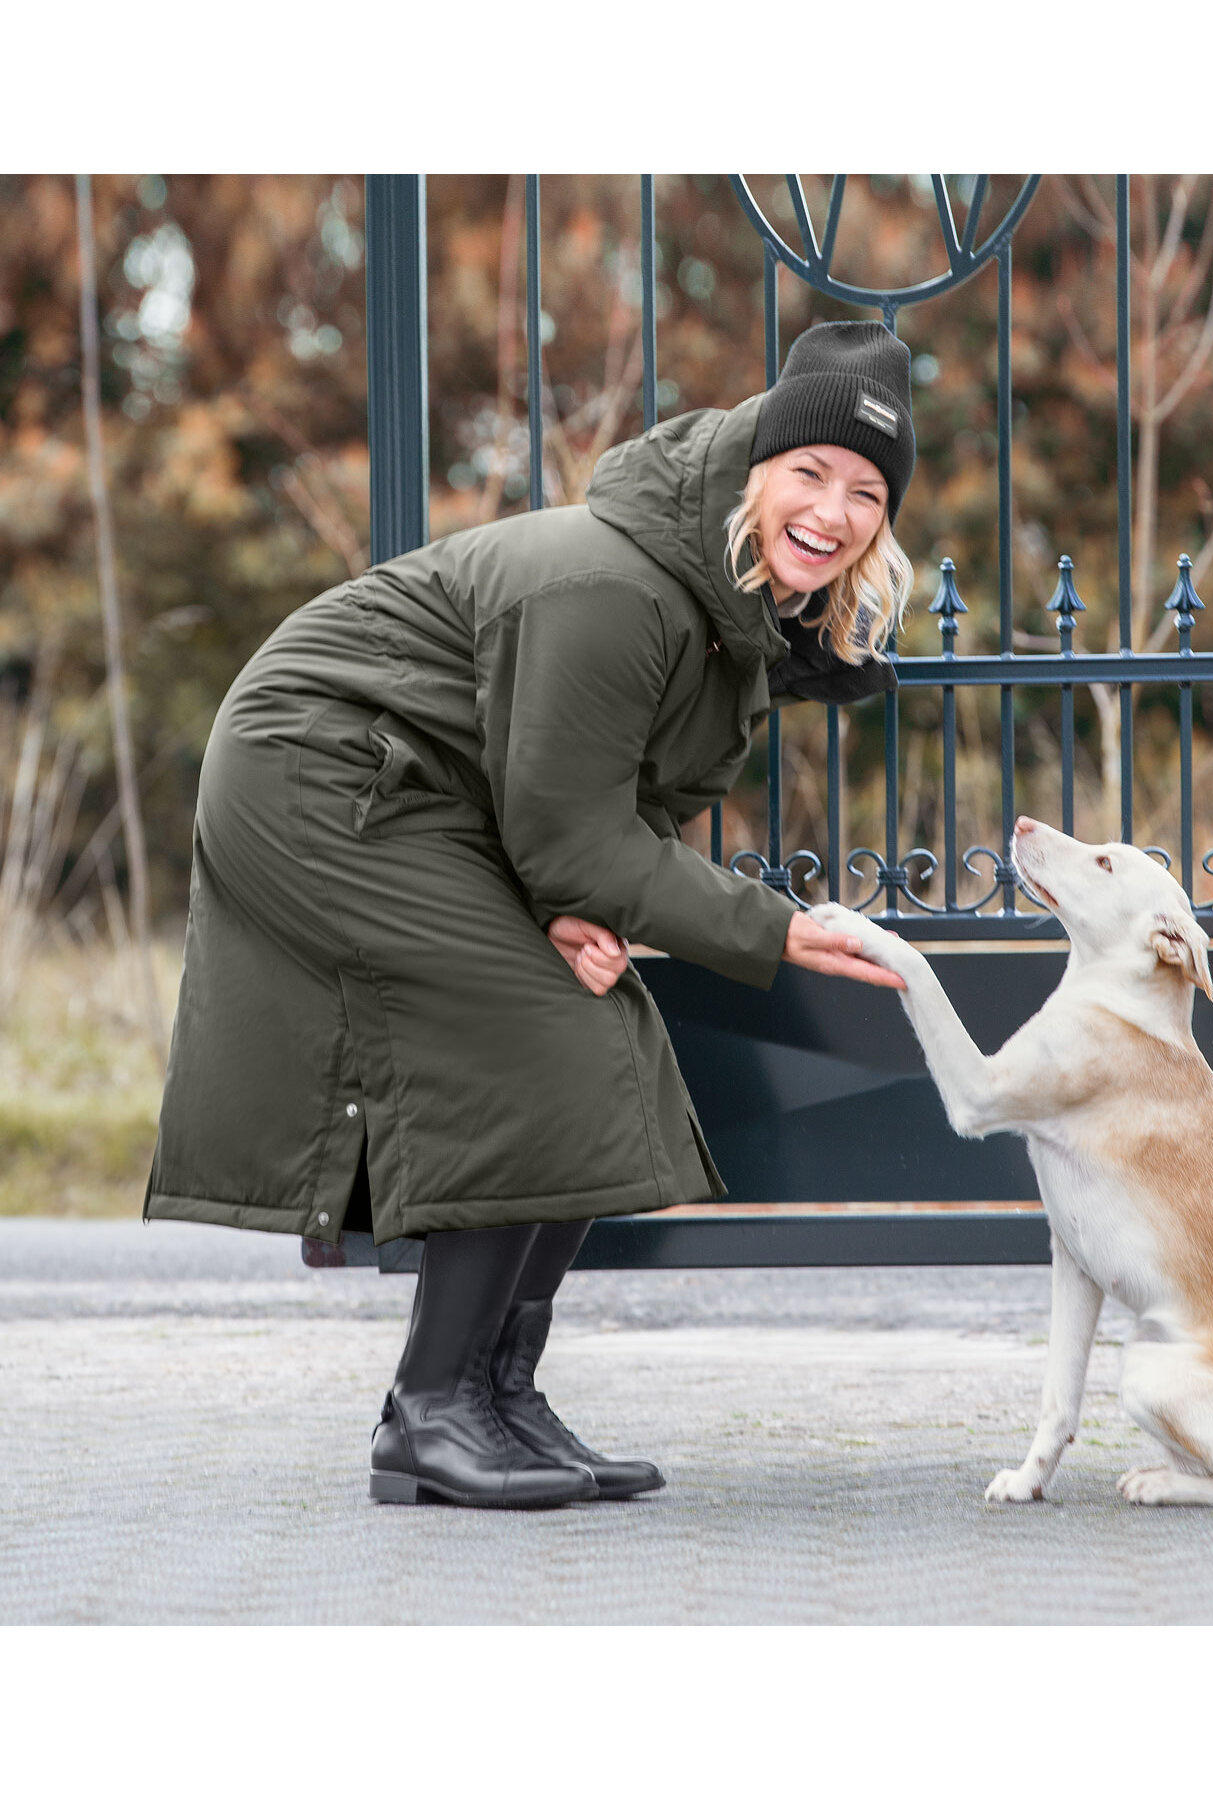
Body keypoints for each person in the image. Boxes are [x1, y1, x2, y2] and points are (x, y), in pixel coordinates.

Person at [144, 319, 916, 1510]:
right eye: (808, 471)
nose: (835, 509)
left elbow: (582, 810)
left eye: (867, 491)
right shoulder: (612, 585)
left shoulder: (715, 612)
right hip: (324, 778)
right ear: (751, 468)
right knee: (538, 1037)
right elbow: (573, 830)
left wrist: (570, 901)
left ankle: (499, 1394)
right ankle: (429, 1409)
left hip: (448, 801)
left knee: (595, 1034)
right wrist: (770, 928)